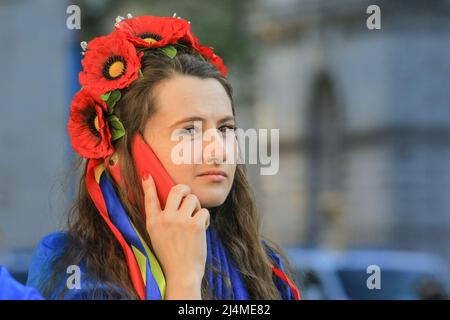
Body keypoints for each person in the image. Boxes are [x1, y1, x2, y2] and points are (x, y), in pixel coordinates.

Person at [26, 14, 300, 300]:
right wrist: (184, 280)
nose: (219, 149)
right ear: (123, 152)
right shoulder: (76, 268)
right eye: (190, 130)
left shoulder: (262, 265)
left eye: (226, 128)